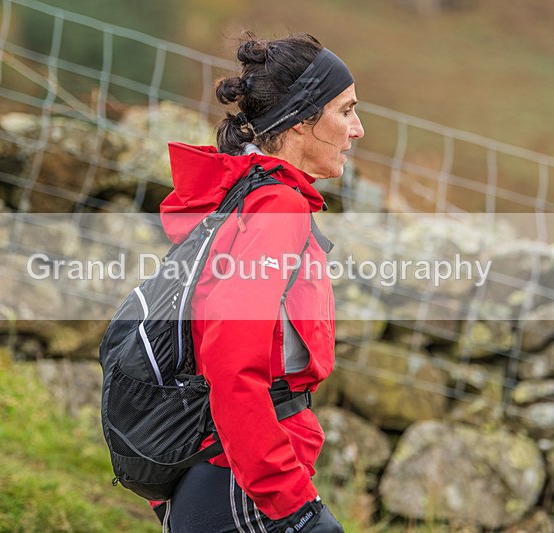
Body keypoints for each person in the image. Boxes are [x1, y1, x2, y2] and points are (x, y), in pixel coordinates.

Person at [154, 32, 364, 532]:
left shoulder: (239, 198)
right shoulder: (275, 209)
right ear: (301, 122)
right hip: (246, 486)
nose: (357, 130)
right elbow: (231, 364)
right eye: (346, 111)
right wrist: (293, 506)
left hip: (219, 474)